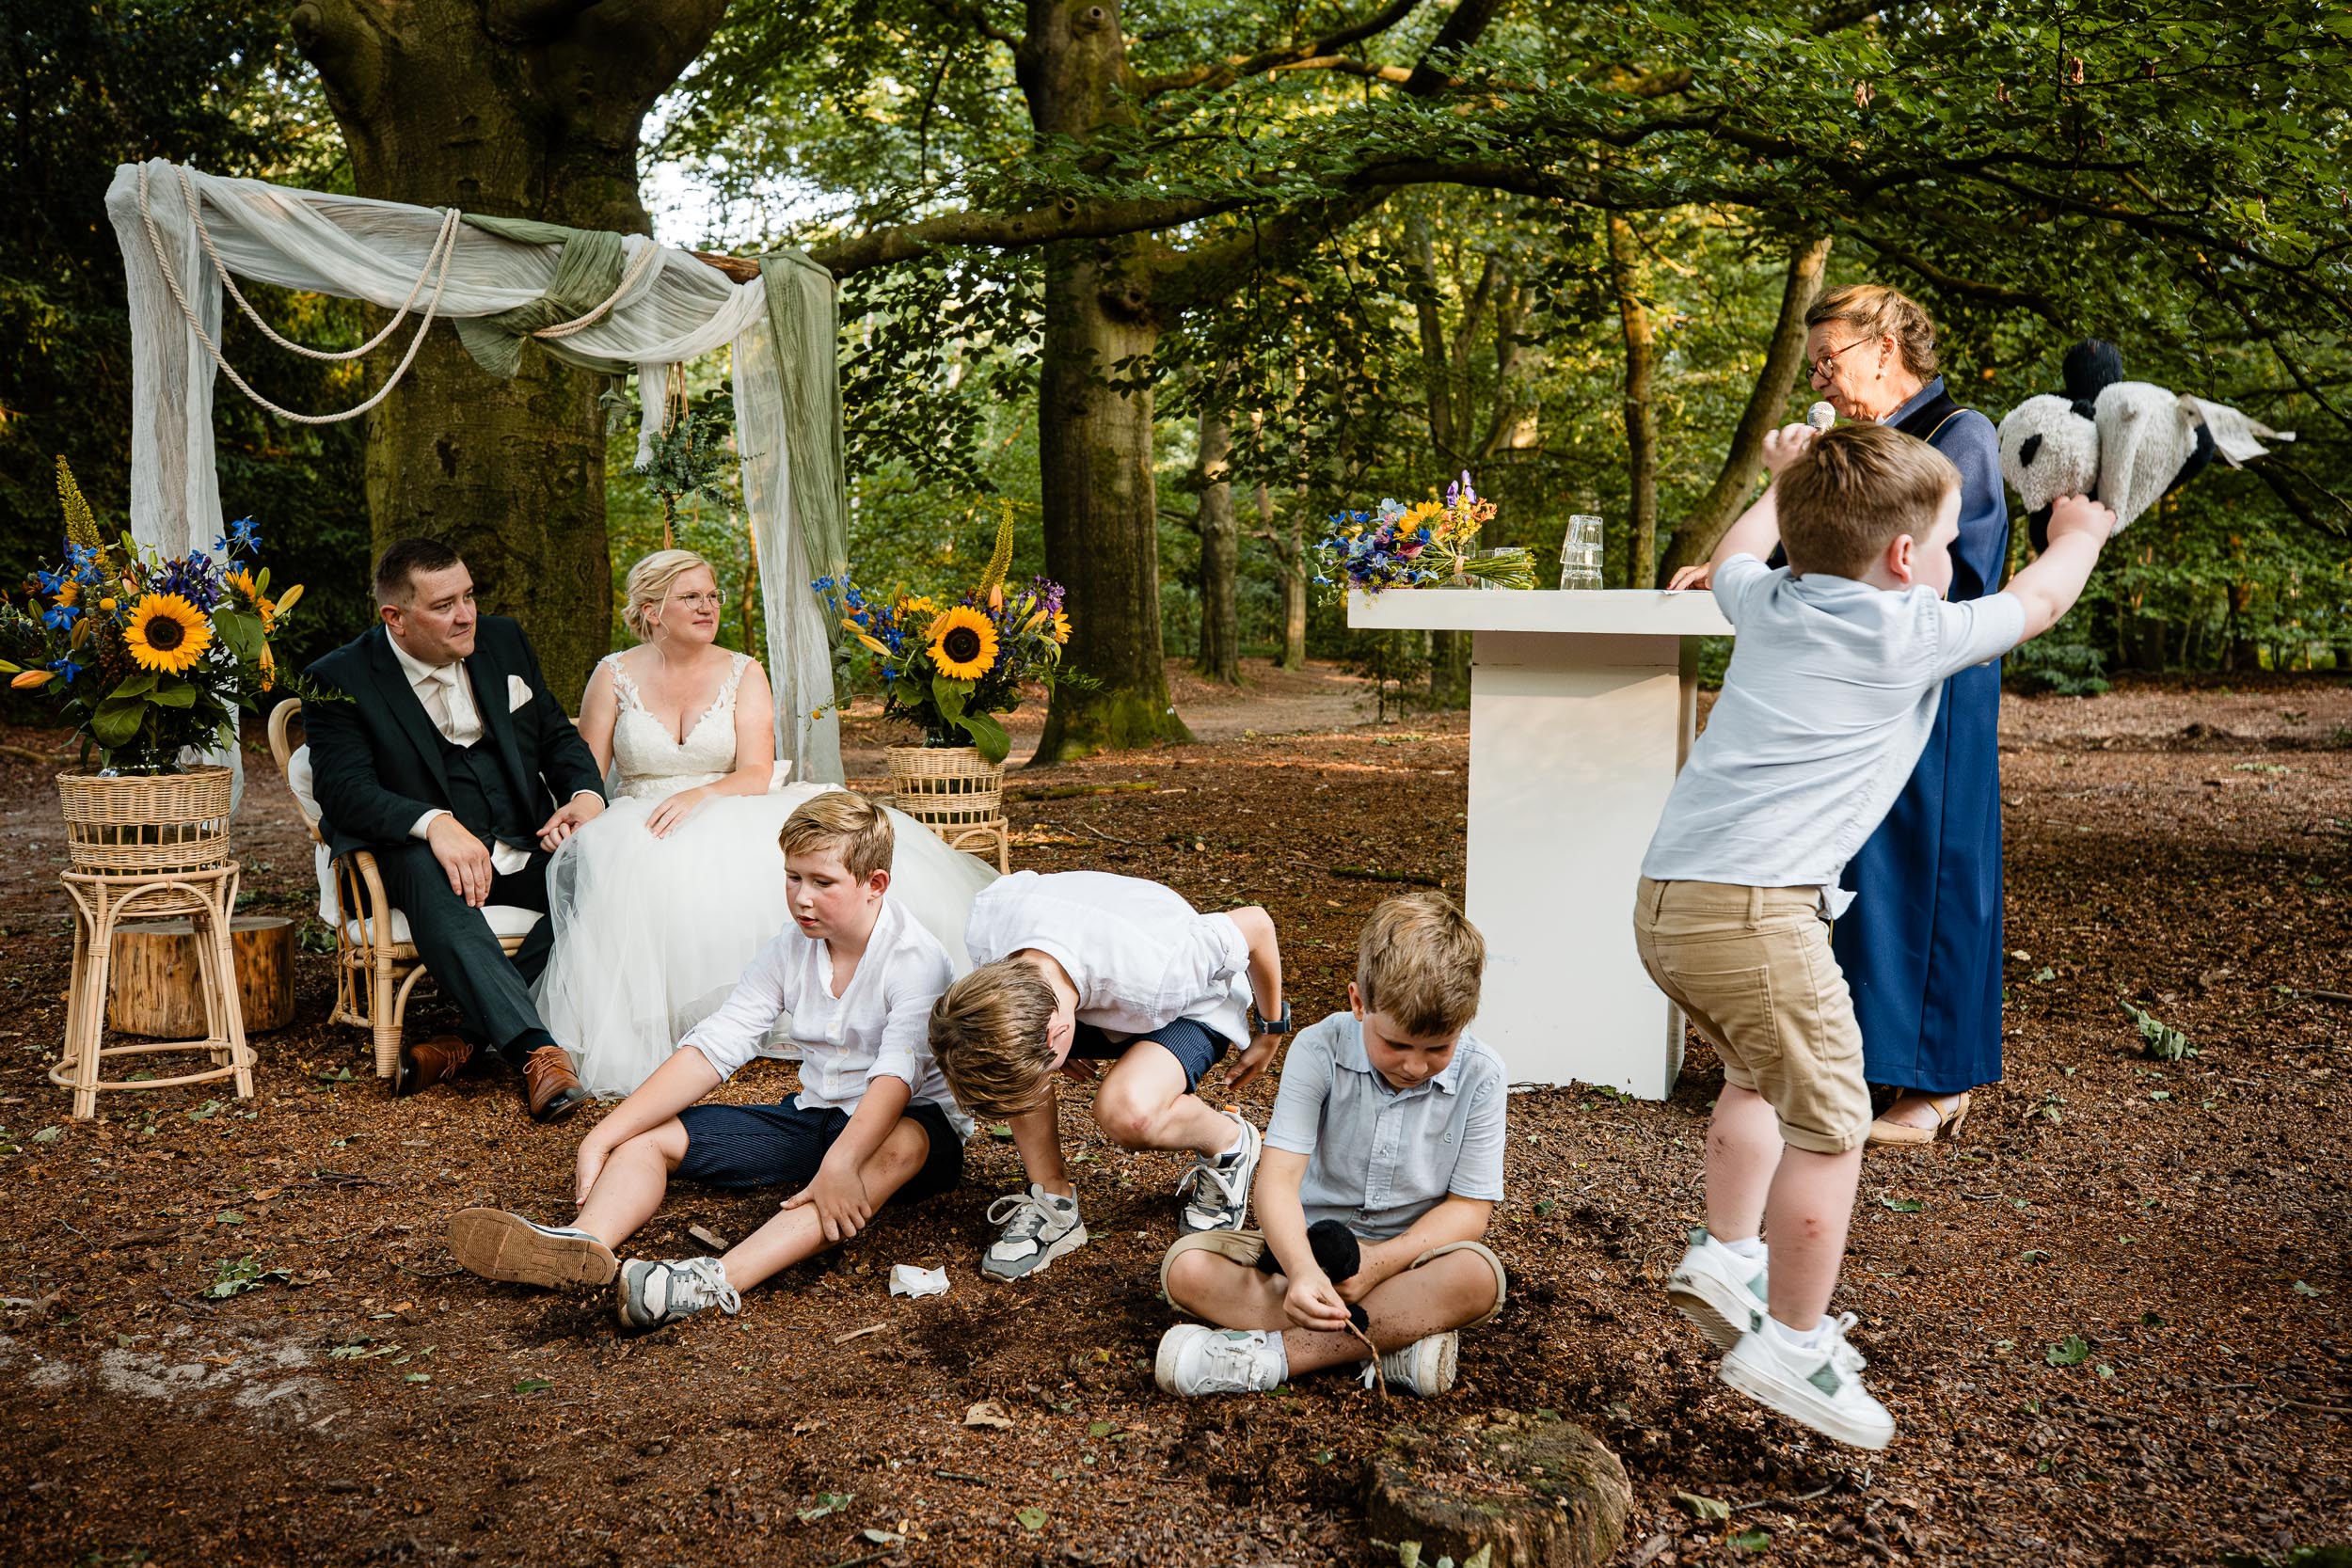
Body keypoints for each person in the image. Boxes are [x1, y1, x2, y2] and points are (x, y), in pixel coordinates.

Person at [1636, 420, 2112, 1449]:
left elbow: (1729, 558)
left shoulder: (1771, 600)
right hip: (1761, 912)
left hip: (1670, 904)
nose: (1950, 560)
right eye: (1944, 541)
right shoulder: (1905, 629)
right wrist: (2078, 529)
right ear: (1904, 559)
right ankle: (1791, 1341)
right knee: (1834, 1117)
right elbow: (2040, 599)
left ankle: (1727, 1252)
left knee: (1756, 1073)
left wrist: (1776, 481)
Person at [1672, 285, 2010, 1146]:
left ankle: (1936, 1090)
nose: (1818, 373)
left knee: (1924, 877)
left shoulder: (1962, 434)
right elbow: (1817, 554)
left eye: (1832, 357)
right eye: (1813, 360)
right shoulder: (1849, 445)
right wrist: (1744, 569)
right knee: (1847, 877)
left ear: (1888, 346)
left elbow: (1956, 580)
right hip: (1841, 704)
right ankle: (1851, 1067)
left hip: (1925, 698)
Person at [445, 792, 968, 1330]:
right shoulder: (789, 947)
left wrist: (840, 1164)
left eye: (822, 882)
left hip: (907, 1129)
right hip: (813, 1119)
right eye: (793, 877)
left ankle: (706, 1282)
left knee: (897, 1145)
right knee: (645, 1136)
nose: (801, 898)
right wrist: (601, 1134)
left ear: (874, 884)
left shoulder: (915, 959)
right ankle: (584, 1245)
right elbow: (716, 1045)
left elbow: (895, 1076)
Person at [531, 548, 996, 1096]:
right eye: (691, 598)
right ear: (652, 610)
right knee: (633, 864)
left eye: (712, 596)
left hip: (729, 799)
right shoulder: (612, 674)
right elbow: (587, 771)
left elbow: (755, 769)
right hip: (639, 814)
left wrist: (700, 796)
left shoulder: (743, 671)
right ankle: (664, 1022)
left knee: (787, 861)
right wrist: (582, 811)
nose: (708, 607)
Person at [1152, 893, 1508, 1400]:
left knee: (1478, 1277)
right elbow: (1277, 1182)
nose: (1414, 1066)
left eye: (1438, 1049)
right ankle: (1393, 1337)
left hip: (1412, 1259)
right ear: (1359, 1002)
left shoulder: (1484, 1074)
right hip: (1310, 1249)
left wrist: (1378, 1267)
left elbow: (1470, 1211)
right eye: (1398, 1044)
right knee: (1185, 1268)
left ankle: (1266, 1358)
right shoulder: (1319, 1049)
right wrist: (1300, 1272)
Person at [303, 538, 604, 1122]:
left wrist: (585, 796)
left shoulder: (504, 639)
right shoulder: (336, 677)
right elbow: (343, 791)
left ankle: (468, 1037)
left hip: (523, 839)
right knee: (420, 867)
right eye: (444, 605)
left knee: (607, 872)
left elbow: (555, 738)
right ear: (396, 617)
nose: (466, 615)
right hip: (421, 859)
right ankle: (536, 1053)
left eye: (469, 596)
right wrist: (433, 822)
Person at [928, 870, 1290, 1281]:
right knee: (1001, 1054)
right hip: (1083, 997)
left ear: (1058, 1032)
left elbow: (1257, 923)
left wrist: (1271, 1028)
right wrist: (1044, 1057)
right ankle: (1054, 1199)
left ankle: (1229, 1143)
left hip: (1188, 1005)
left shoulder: (1165, 967)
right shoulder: (989, 929)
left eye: (1040, 1073)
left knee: (1126, 1112)